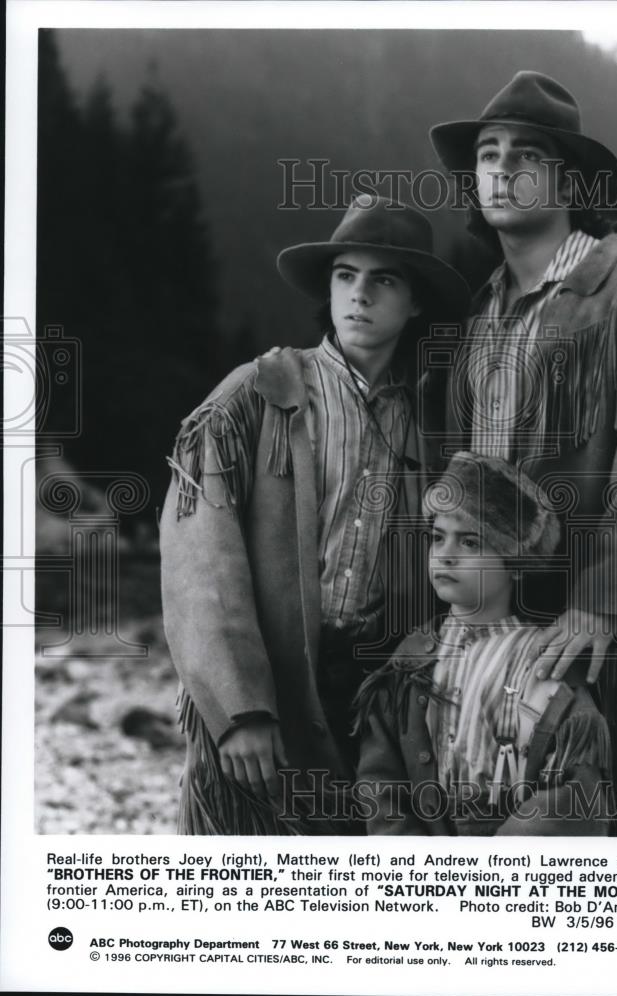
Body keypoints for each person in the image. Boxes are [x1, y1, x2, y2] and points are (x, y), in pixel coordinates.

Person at [427, 71, 617, 834]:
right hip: (493, 623)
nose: (500, 168)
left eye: (526, 153)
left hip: (590, 624)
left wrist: (601, 603)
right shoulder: (484, 310)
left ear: (570, 179)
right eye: (487, 153)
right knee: (494, 814)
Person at [159, 195, 470, 834]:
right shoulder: (254, 395)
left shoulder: (433, 423)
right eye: (345, 276)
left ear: (414, 303)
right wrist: (240, 706)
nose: (360, 295)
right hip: (271, 688)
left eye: (383, 280)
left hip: (376, 701)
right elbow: (200, 554)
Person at [355, 451, 611, 835]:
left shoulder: (542, 664)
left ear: (516, 564)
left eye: (471, 543)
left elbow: (574, 795)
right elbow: (381, 779)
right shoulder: (414, 656)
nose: (446, 555)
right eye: (438, 538)